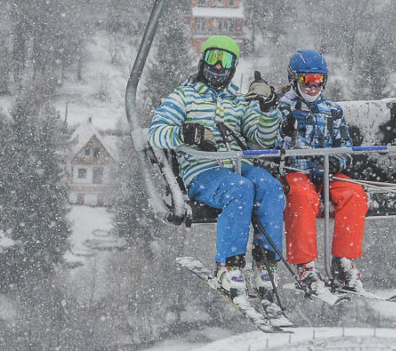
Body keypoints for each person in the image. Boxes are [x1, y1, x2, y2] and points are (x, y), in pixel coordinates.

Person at [148, 35, 284, 297]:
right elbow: (157, 132)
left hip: (237, 164)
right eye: (213, 58)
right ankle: (228, 265)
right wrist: (187, 134)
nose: (219, 67)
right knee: (239, 189)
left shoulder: (237, 100)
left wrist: (268, 109)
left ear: (234, 66)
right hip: (203, 172)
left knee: (271, 186)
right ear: (203, 61)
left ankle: (266, 263)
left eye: (226, 60)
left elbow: (261, 139)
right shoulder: (184, 96)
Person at [276, 50, 369, 297]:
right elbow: (273, 148)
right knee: (301, 197)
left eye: (319, 80)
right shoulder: (281, 109)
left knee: (355, 194)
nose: (313, 86)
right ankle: (305, 265)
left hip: (325, 173)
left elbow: (345, 147)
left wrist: (333, 164)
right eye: (307, 80)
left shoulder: (331, 110)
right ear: (294, 78)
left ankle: (343, 261)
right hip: (295, 173)